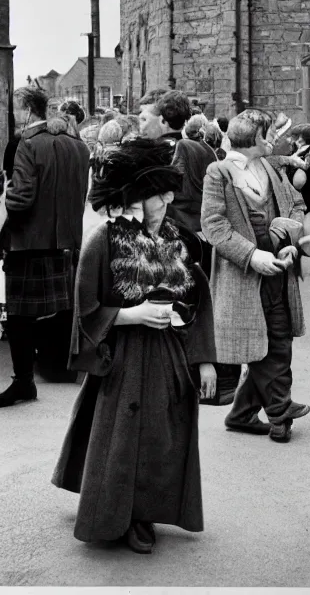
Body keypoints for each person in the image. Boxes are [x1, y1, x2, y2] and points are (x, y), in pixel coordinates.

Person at [52, 138, 217, 553]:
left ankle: (144, 512)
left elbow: (200, 299)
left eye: (159, 193)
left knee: (162, 437)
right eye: (146, 194)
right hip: (122, 357)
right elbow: (84, 307)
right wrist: (131, 314)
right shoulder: (104, 240)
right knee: (120, 436)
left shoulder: (182, 240)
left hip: (169, 357)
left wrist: (205, 361)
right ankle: (117, 515)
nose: (155, 200)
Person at [201, 109, 310, 442]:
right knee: (263, 343)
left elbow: (296, 205)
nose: (274, 140)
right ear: (256, 139)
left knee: (279, 338)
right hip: (244, 276)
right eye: (269, 134)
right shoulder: (217, 173)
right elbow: (214, 227)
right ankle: (280, 410)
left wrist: (291, 242)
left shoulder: (268, 166)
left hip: (279, 269)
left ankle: (242, 414)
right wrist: (252, 256)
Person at [0, 87, 90, 407]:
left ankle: (24, 382)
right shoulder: (79, 146)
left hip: (28, 241)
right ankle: (60, 369)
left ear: (27, 111)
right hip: (66, 239)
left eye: (14, 109)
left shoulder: (28, 144)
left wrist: (1, 203)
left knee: (20, 315)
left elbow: (21, 198)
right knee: (58, 310)